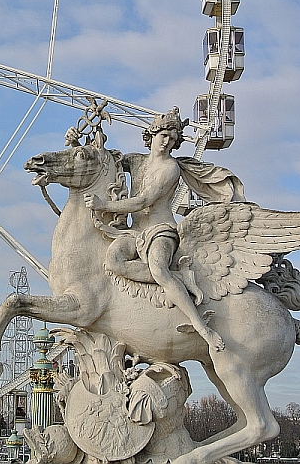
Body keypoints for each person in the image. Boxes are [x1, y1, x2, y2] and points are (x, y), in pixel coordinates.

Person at [83, 107, 234, 352]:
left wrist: (105, 205)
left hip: (161, 231)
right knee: (112, 261)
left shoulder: (170, 169)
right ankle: (173, 283)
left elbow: (144, 201)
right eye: (164, 135)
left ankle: (201, 328)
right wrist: (83, 137)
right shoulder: (136, 161)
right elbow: (103, 159)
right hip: (134, 233)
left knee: (159, 270)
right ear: (151, 134)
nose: (167, 142)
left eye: (173, 139)